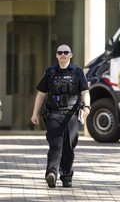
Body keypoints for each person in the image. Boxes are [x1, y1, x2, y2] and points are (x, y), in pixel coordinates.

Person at [31, 44, 91, 187]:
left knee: (69, 147)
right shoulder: (50, 72)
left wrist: (87, 106)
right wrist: (35, 113)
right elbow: (41, 93)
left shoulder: (77, 72)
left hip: (71, 115)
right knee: (56, 145)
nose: (63, 54)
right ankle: (51, 173)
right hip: (53, 114)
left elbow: (85, 91)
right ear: (57, 56)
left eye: (66, 52)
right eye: (60, 52)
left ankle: (66, 175)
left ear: (71, 55)